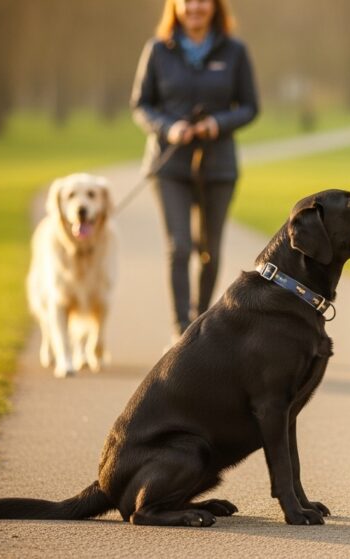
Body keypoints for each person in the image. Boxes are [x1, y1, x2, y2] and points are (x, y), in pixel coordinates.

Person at [132, 0, 258, 337]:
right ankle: (181, 331)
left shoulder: (235, 51)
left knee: (210, 251)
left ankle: (199, 328)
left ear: (215, 7)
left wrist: (218, 123)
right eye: (188, 1)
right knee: (179, 248)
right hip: (169, 164)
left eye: (203, 1)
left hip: (219, 167)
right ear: (175, 6)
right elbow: (141, 105)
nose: (195, 7)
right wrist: (169, 128)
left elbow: (250, 106)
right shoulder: (157, 49)